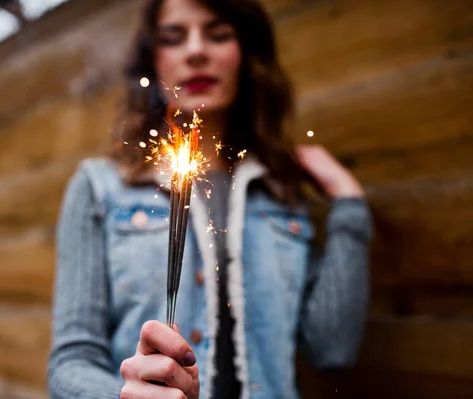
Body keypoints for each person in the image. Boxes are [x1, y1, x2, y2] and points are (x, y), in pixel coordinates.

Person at [48, 0, 372, 398]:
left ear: (247, 56)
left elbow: (332, 350)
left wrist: (348, 203)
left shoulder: (279, 191)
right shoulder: (99, 188)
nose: (196, 51)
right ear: (154, 62)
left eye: (219, 34)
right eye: (173, 38)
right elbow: (69, 363)